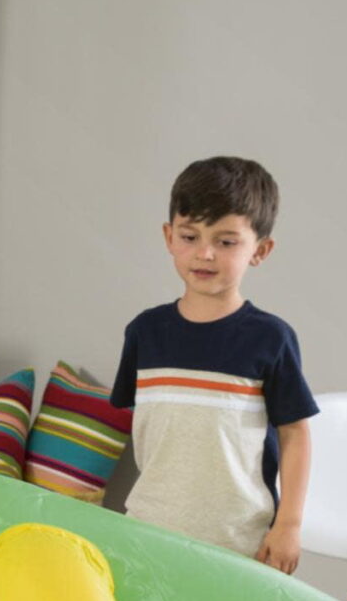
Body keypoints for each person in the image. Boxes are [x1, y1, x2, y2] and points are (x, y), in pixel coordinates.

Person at [110, 156, 321, 571]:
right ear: (169, 236)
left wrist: (289, 525)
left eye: (226, 242)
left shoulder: (271, 339)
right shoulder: (144, 332)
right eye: (190, 236)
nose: (204, 254)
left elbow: (295, 433)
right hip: (148, 534)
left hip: (240, 542)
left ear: (260, 250)